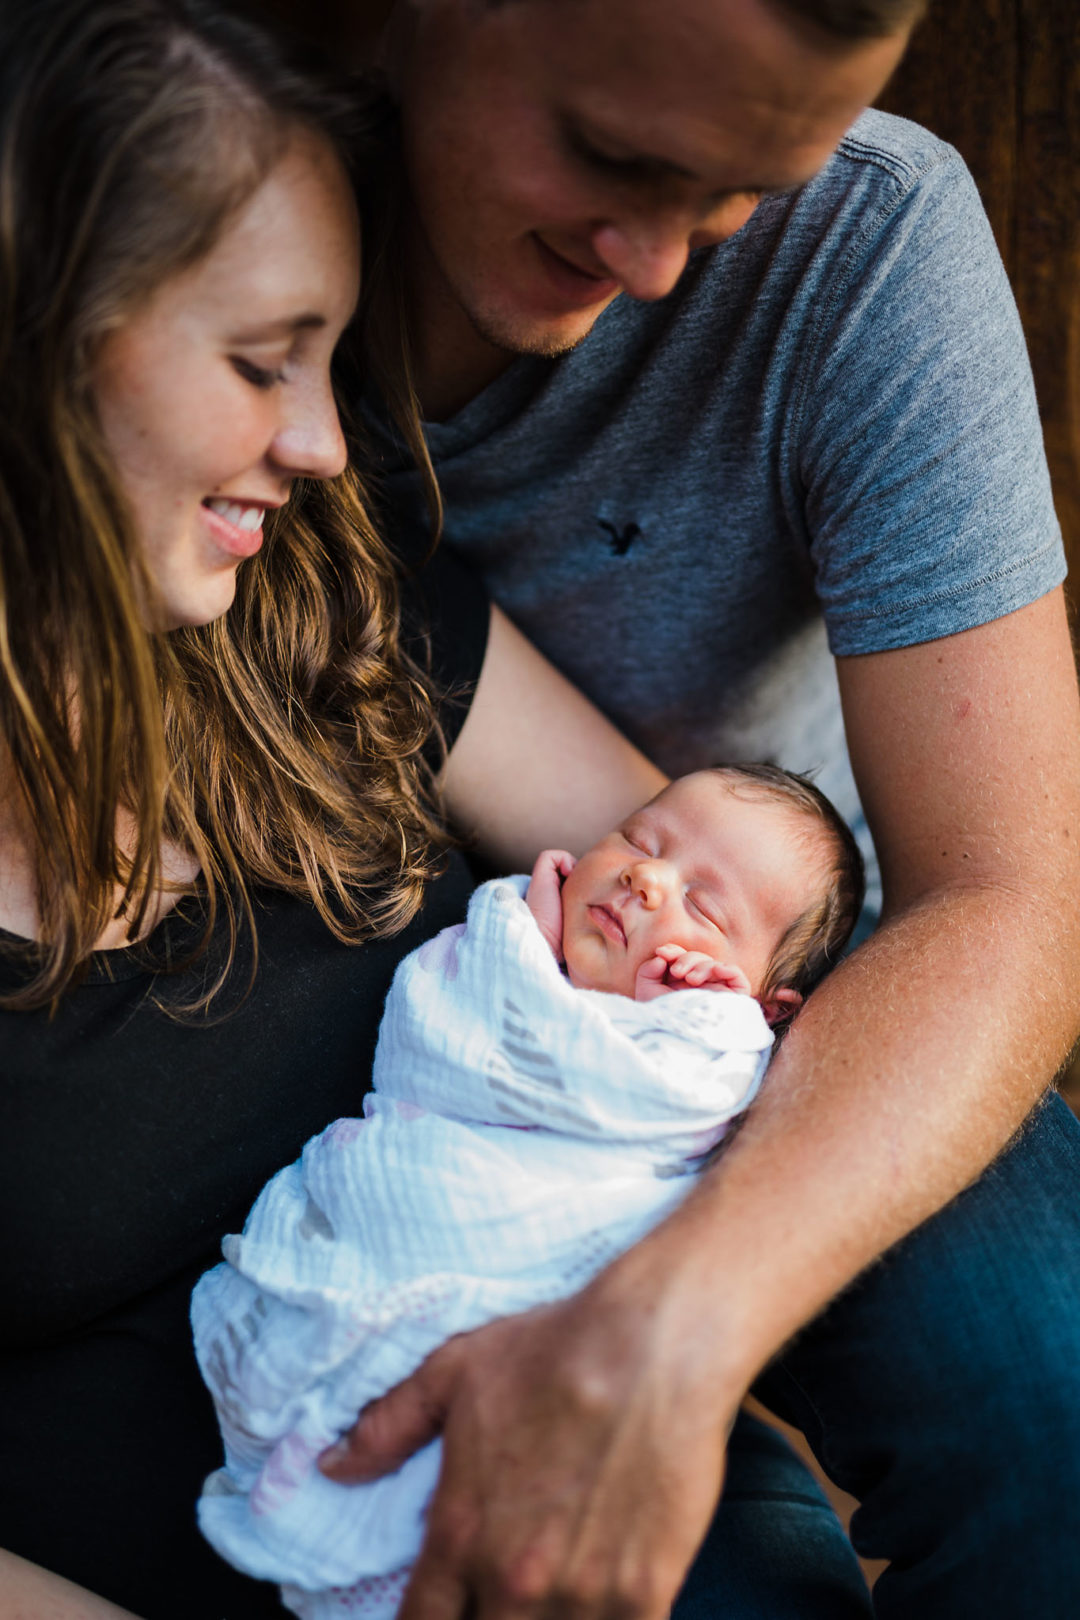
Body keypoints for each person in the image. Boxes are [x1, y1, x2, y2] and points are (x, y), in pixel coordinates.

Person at [295, 1, 1080, 1616]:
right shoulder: (201, 191)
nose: (657, 264)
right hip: (355, 1033)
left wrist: (678, 1322)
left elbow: (1014, 894)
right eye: (613, 155)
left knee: (1055, 1386)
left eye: (731, 198)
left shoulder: (863, 244)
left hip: (748, 1003)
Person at [0, 3, 763, 1618]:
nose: (323, 443)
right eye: (261, 360)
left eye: (332, 360)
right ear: (34, 338)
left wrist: (663, 1331)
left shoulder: (335, 609)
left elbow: (739, 933)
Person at [190, 765, 865, 1619]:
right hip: (411, 1188)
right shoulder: (497, 942)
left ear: (763, 1004)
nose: (645, 877)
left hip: (540, 1267)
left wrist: (689, 1027)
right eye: (640, 839)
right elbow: (432, 1040)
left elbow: (684, 1105)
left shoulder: (721, 1045)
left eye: (705, 908)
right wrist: (517, 956)